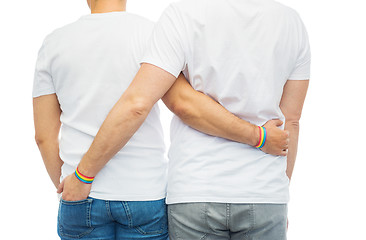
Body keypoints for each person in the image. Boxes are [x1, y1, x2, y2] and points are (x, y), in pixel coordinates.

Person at [33, 0, 290, 239]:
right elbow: (185, 103)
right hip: (143, 193)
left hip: (80, 196)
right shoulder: (150, 34)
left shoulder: (53, 43)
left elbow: (44, 137)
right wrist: (259, 136)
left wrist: (69, 184)